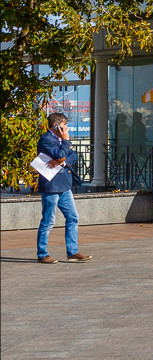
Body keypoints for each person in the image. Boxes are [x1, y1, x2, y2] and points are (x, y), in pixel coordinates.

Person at [35, 113, 91, 264]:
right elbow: (60, 154)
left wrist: (63, 162)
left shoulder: (60, 140)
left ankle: (72, 252)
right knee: (48, 221)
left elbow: (72, 156)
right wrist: (65, 143)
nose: (67, 128)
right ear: (57, 126)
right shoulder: (47, 140)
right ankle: (42, 254)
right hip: (51, 186)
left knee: (73, 217)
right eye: (65, 125)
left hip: (64, 185)